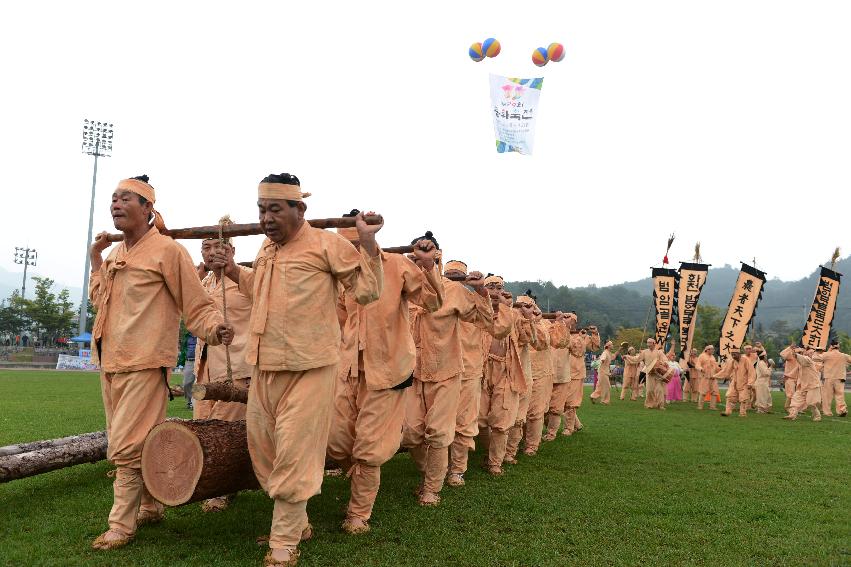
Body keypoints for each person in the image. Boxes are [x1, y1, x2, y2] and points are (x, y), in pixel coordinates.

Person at [211, 173, 383, 566]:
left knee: (295, 453)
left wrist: (369, 243)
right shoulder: (267, 251)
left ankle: (283, 543)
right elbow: (261, 291)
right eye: (261, 210)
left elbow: (366, 291)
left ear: (299, 209)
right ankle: (299, 520)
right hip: (264, 366)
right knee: (264, 452)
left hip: (310, 368)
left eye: (274, 209)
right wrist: (234, 271)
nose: (266, 218)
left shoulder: (327, 245)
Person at [88, 175, 233, 551]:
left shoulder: (168, 251)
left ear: (148, 209)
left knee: (126, 444)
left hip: (145, 360)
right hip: (111, 362)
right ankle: (150, 506)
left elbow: (195, 301)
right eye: (113, 199)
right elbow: (97, 302)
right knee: (130, 437)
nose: (115, 204)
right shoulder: (118, 254)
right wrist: (95, 258)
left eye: (125, 199)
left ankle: (121, 526)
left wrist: (215, 328)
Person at [326, 213, 443, 534]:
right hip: (347, 369)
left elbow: (432, 303)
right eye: (343, 243)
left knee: (369, 448)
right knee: (335, 440)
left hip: (388, 371)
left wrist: (428, 268)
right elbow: (337, 320)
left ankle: (358, 515)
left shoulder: (396, 265)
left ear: (368, 237)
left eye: (354, 242)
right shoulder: (339, 273)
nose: (348, 249)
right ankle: (360, 468)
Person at [402, 233, 494, 506]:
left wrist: (481, 292)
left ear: (436, 257)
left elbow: (486, 319)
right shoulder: (402, 287)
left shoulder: (452, 291)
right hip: (411, 372)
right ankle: (434, 471)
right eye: (416, 255)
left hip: (446, 371)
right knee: (410, 432)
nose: (420, 260)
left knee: (439, 433)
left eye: (427, 255)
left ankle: (432, 487)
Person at [193, 229, 255, 513]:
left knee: (222, 430)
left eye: (216, 247)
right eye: (205, 247)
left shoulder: (245, 278)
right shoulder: (204, 282)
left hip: (238, 369)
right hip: (205, 367)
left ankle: (221, 491)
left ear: (231, 250)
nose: (210, 253)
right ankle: (204, 481)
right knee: (201, 426)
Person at [445, 261, 508, 487]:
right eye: (448, 275)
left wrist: (481, 291)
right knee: (431, 426)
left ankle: (457, 470)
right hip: (438, 370)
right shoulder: (432, 295)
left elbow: (494, 324)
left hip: (469, 371)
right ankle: (434, 468)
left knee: (465, 423)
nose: (452, 279)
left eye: (457, 276)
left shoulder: (475, 302)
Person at [477, 279, 533, 475]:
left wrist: (527, 317)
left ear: (504, 291)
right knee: (479, 418)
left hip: (507, 372)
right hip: (481, 371)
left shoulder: (514, 314)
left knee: (501, 421)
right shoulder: (477, 307)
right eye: (490, 287)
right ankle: (486, 453)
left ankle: (495, 462)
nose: (494, 292)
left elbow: (528, 340)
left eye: (498, 288)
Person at [522, 307, 568, 456]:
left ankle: (532, 445)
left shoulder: (545, 324)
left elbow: (560, 342)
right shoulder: (513, 320)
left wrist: (559, 323)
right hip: (519, 371)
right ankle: (516, 443)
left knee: (535, 412)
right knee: (518, 412)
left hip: (541, 372)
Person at [544, 312, 579, 440]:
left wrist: (576, 337)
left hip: (563, 376)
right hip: (546, 374)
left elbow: (578, 352)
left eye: (569, 318)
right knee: (542, 407)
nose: (566, 319)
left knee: (557, 408)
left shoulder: (571, 337)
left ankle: (552, 433)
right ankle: (549, 428)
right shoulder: (548, 329)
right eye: (564, 317)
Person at [563, 321, 600, 432]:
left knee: (571, 401)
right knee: (560, 401)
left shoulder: (583, 336)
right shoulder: (559, 332)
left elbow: (595, 347)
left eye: (570, 318)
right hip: (558, 371)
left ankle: (568, 428)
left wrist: (595, 334)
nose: (567, 320)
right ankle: (577, 424)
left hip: (575, 371)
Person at [782, 346, 822, 422]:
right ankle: (792, 414)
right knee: (795, 400)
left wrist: (796, 354)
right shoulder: (802, 362)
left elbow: (803, 359)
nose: (811, 354)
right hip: (803, 385)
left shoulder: (808, 360)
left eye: (812, 353)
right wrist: (787, 376)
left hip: (812, 385)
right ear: (805, 352)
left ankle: (817, 416)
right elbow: (795, 370)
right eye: (810, 352)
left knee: (811, 403)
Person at [714, 347, 755, 417]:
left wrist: (750, 383)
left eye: (734, 354)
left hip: (745, 383)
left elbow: (752, 372)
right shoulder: (733, 361)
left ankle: (742, 413)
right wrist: (715, 376)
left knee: (743, 399)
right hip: (735, 382)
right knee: (729, 396)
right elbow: (726, 371)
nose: (733, 356)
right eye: (732, 354)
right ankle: (727, 412)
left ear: (739, 354)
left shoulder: (746, 360)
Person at [818, 339, 850, 417]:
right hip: (840, 378)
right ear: (838, 347)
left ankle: (827, 412)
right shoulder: (844, 355)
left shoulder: (826, 354)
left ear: (831, 346)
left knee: (827, 396)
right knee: (840, 395)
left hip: (829, 377)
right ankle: (842, 410)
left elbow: (816, 358)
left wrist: (828, 351)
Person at [637, 338, 666, 410]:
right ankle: (650, 404)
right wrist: (627, 357)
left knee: (659, 390)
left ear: (654, 343)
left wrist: (663, 363)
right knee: (650, 390)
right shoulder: (644, 352)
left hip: (658, 373)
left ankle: (660, 405)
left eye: (650, 343)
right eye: (647, 343)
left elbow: (665, 359)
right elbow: (637, 359)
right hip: (649, 373)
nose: (648, 344)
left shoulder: (659, 352)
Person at [590, 340, 616, 405]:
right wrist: (602, 360)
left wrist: (620, 349)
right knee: (607, 386)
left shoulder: (609, 353)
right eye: (611, 344)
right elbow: (602, 358)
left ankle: (593, 396)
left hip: (604, 372)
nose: (612, 345)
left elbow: (614, 356)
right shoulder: (605, 353)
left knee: (599, 386)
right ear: (608, 346)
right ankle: (604, 401)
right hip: (603, 372)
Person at [697, 345, 721, 410]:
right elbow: (697, 365)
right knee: (703, 392)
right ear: (707, 350)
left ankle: (712, 406)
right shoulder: (702, 356)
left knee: (714, 392)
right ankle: (700, 406)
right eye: (711, 349)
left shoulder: (713, 357)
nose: (713, 350)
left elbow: (715, 366)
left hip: (713, 377)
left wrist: (719, 368)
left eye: (713, 349)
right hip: (705, 377)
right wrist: (701, 369)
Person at [182, 334, 197, 410]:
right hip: (189, 361)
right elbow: (183, 349)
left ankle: (196, 403)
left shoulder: (203, 334)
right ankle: (189, 401)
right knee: (186, 383)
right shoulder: (187, 336)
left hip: (201, 360)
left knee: (199, 382)